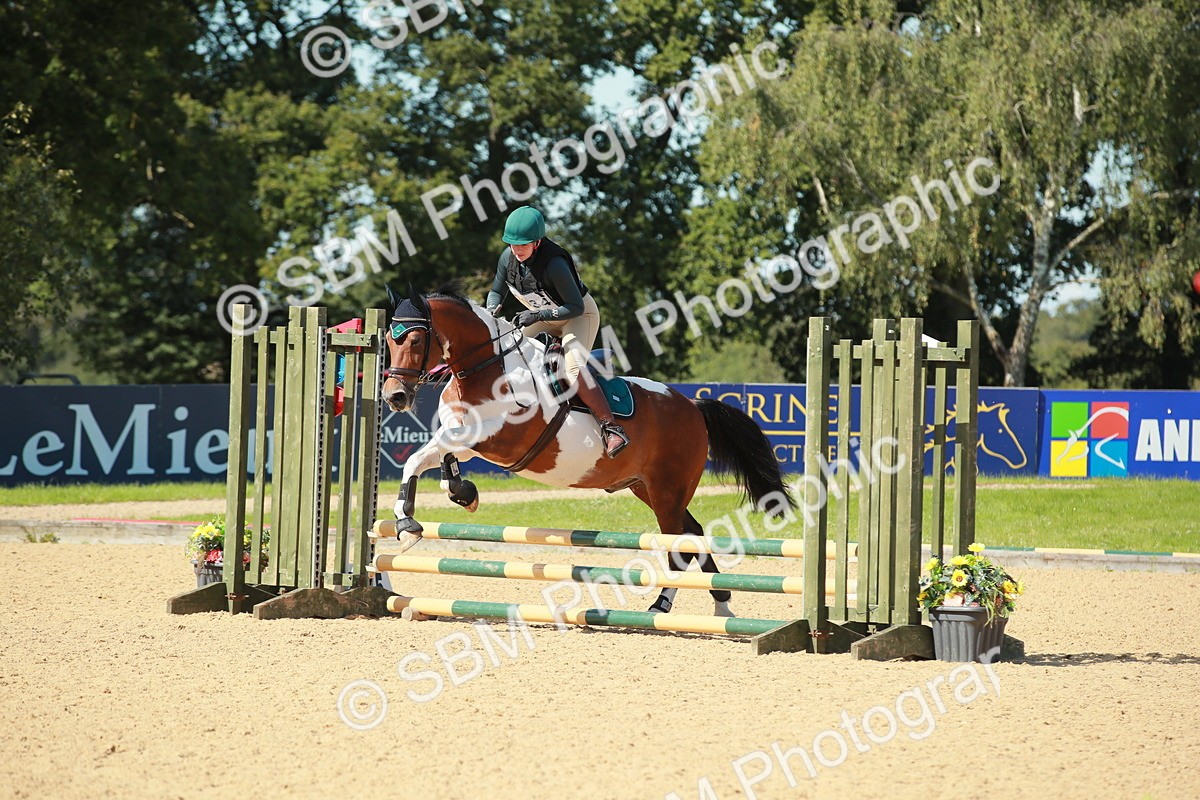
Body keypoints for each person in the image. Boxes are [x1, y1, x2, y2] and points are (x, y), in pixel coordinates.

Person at [486, 205, 629, 458]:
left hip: (578, 315)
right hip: (542, 315)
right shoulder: (507, 259)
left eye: (523, 245)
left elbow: (574, 306)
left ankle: (612, 428)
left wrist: (537, 315)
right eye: (512, 244)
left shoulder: (554, 264)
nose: (517, 250)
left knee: (571, 369)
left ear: (538, 242)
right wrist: (492, 307)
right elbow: (497, 291)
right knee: (507, 352)